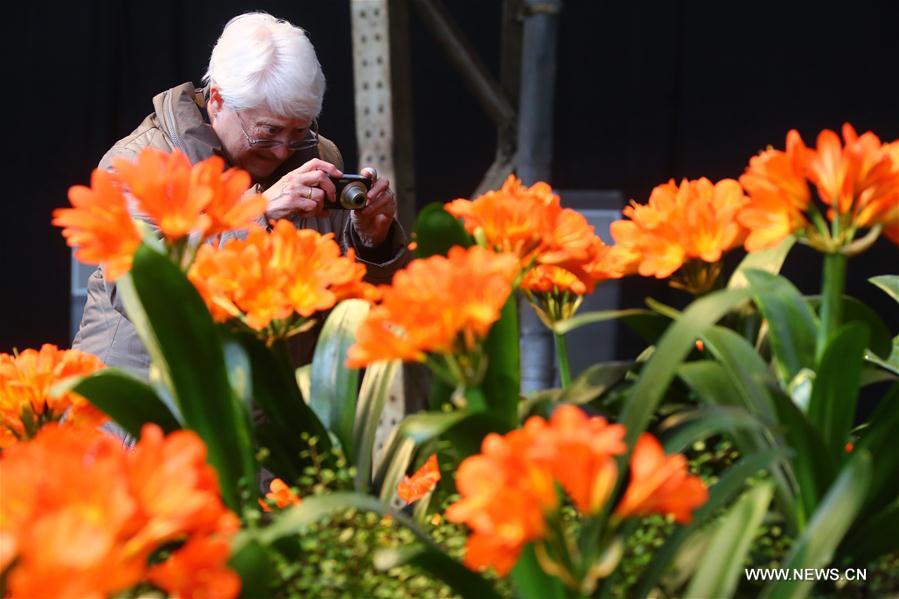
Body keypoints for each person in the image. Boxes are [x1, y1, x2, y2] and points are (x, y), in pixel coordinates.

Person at [72, 12, 410, 377]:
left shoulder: (319, 158)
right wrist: (257, 215)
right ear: (217, 99)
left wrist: (372, 242)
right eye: (267, 133)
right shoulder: (136, 164)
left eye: (299, 131)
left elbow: (348, 301)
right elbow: (142, 294)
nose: (283, 150)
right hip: (153, 407)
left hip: (266, 410)